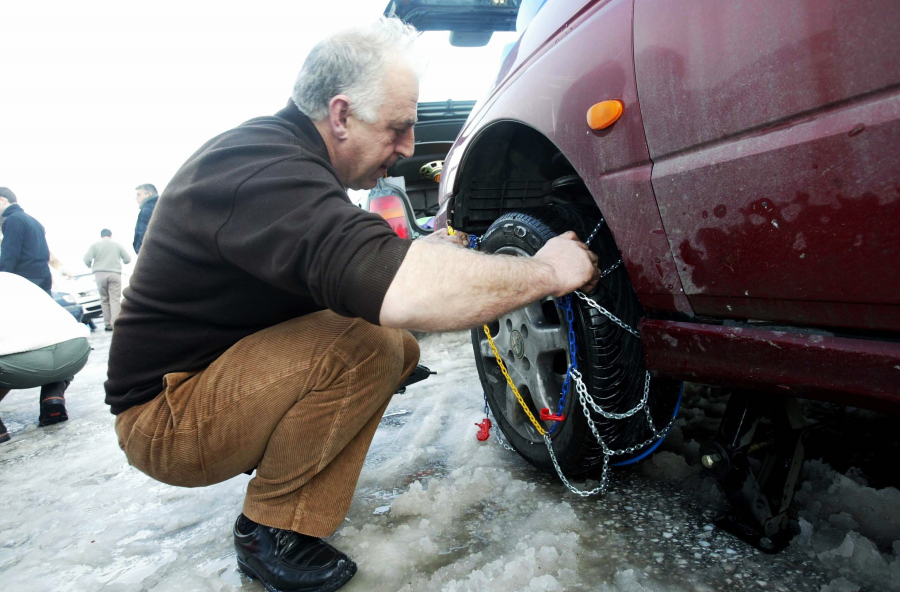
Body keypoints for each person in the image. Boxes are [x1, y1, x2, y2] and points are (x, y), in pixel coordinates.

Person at [105, 18, 598, 592]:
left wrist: (424, 255)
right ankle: (271, 532)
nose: (409, 148)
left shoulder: (284, 160)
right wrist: (547, 271)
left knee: (390, 348)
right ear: (340, 115)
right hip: (166, 418)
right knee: (368, 347)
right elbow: (398, 289)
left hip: (207, 383)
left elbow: (355, 267)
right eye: (397, 128)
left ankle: (284, 509)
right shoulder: (259, 168)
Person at [0, 272, 92, 443]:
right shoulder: (13, 278)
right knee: (49, 345)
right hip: (75, 349)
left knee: (12, 355)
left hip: (24, 362)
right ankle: (52, 396)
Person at [0, 187, 53, 293]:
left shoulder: (13, 220)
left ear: (2, 200)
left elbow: (10, 255)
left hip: (25, 280)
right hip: (43, 276)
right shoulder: (34, 221)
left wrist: (3, 275)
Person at [83, 229, 132, 331]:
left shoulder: (95, 245)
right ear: (110, 235)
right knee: (114, 299)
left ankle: (107, 324)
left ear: (101, 236)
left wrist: (89, 265)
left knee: (104, 299)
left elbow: (87, 258)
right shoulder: (117, 245)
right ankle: (116, 324)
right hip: (114, 273)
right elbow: (127, 259)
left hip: (100, 274)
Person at [133, 183, 158, 254]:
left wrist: (140, 252)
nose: (136, 198)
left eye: (139, 195)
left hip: (149, 255)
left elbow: (143, 234)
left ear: (149, 194)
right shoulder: (162, 207)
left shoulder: (147, 209)